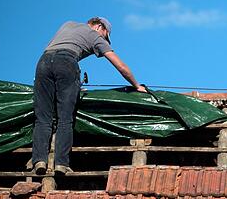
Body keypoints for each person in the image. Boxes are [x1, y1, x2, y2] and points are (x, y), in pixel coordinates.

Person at [30, 17, 147, 175]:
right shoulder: (95, 36)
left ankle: (39, 161)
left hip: (43, 63)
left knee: (43, 117)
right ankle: (61, 164)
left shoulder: (68, 24)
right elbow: (121, 66)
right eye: (105, 36)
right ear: (100, 27)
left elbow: (53, 52)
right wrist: (137, 86)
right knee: (65, 117)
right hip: (66, 62)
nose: (104, 39)